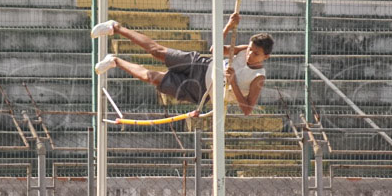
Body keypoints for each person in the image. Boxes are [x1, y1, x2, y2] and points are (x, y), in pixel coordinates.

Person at [91, 13, 273, 116]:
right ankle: (115, 27)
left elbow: (247, 109)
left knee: (152, 78)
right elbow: (214, 49)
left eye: (255, 53)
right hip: (201, 65)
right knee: (157, 52)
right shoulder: (242, 50)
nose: (249, 54)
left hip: (200, 91)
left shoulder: (258, 78)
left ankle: (115, 61)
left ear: (266, 57)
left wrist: (232, 81)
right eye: (249, 49)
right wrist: (228, 26)